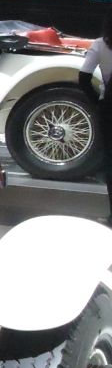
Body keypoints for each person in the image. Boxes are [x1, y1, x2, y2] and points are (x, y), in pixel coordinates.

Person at [81, 11, 112, 218]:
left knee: (110, 159)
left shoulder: (101, 45)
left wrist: (96, 102)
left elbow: (83, 77)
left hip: (109, 108)